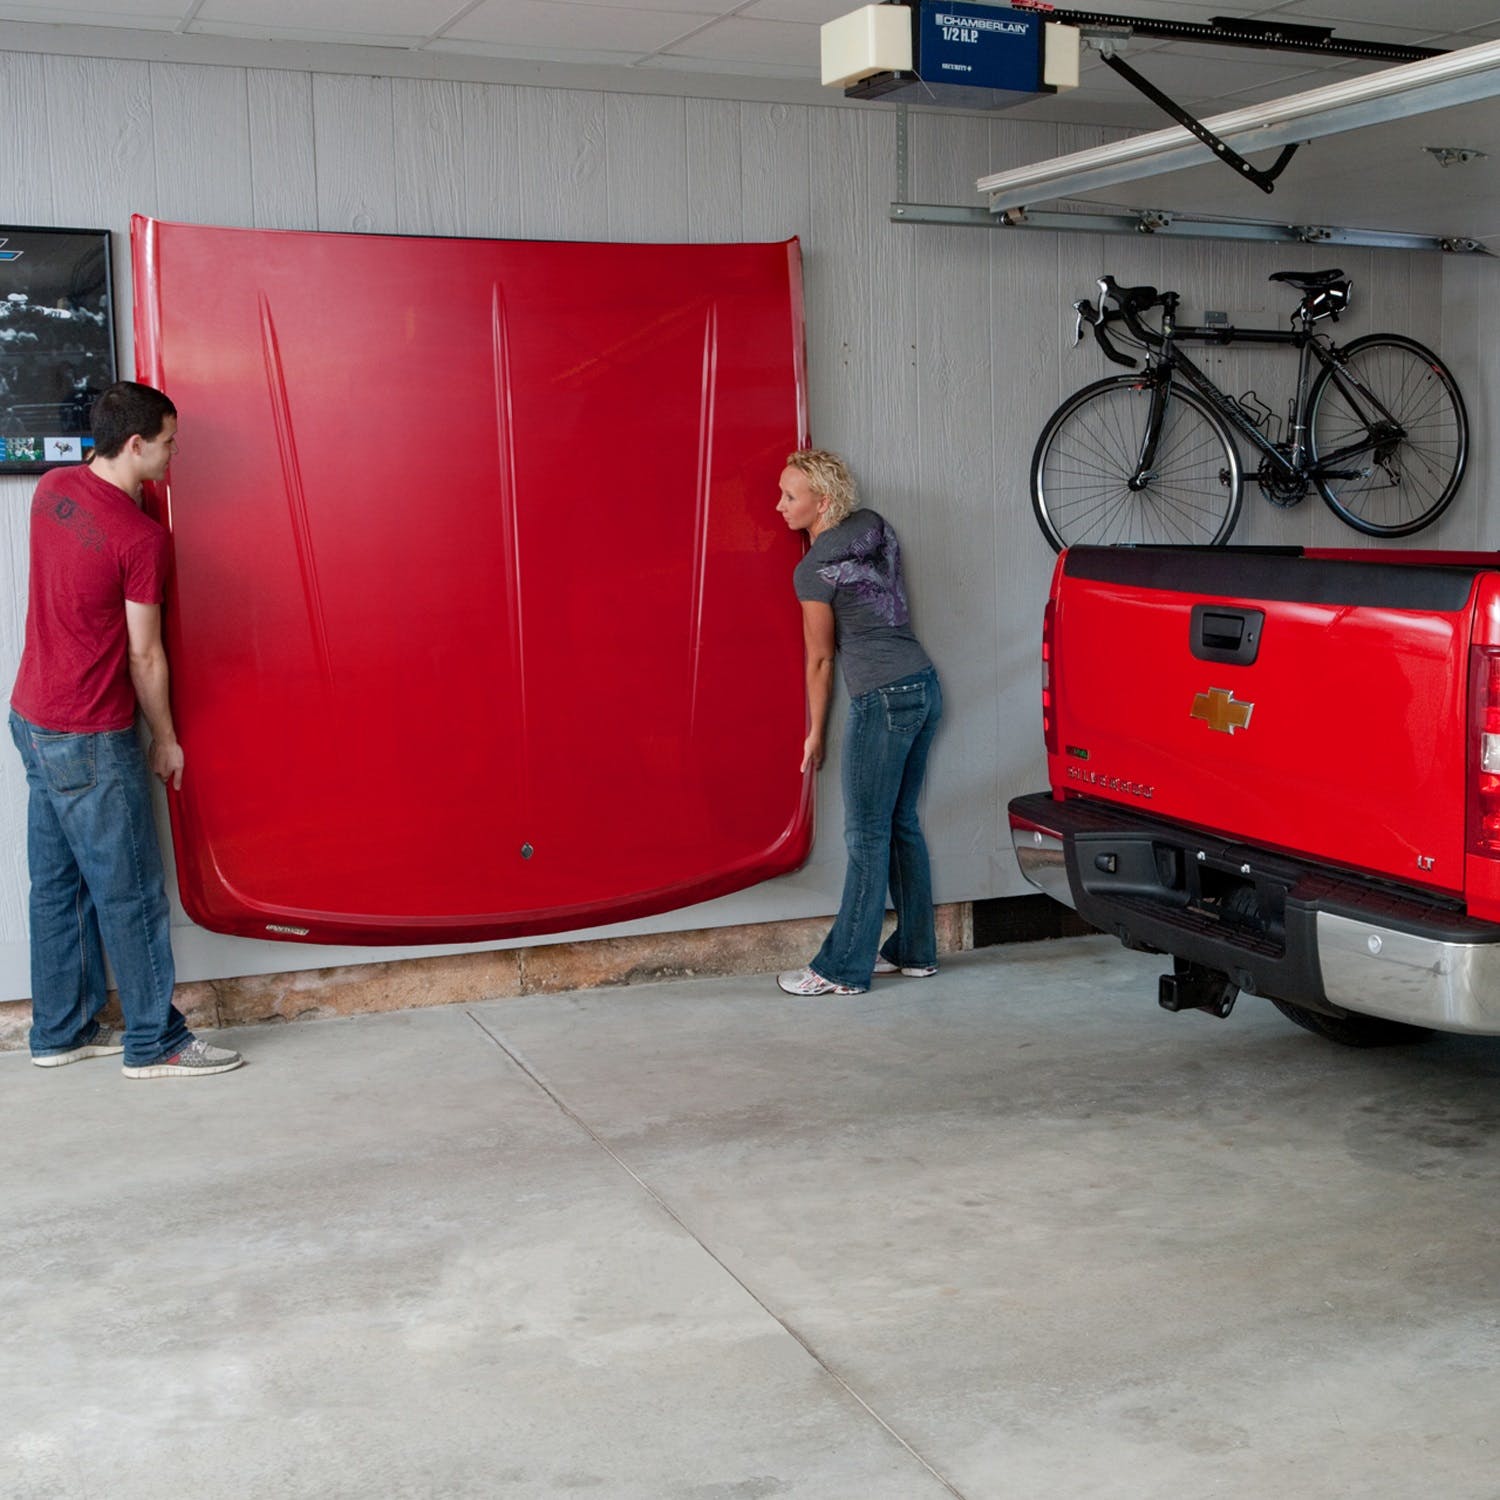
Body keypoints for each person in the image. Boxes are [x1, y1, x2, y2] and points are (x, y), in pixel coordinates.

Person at [8, 380, 243, 1077]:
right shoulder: (142, 539)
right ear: (136, 443)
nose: (175, 455)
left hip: (31, 716)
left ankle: (60, 1032)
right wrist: (166, 738)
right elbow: (144, 653)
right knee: (132, 891)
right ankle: (155, 1042)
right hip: (88, 733)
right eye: (168, 443)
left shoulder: (53, 488)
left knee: (57, 886)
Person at [774, 449, 943, 997]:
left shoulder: (811, 570)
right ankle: (916, 952)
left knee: (865, 833)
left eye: (790, 496)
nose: (779, 506)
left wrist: (815, 731)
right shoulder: (873, 527)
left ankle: (841, 968)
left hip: (883, 698)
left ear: (822, 501)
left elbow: (821, 658)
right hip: (924, 685)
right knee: (901, 825)